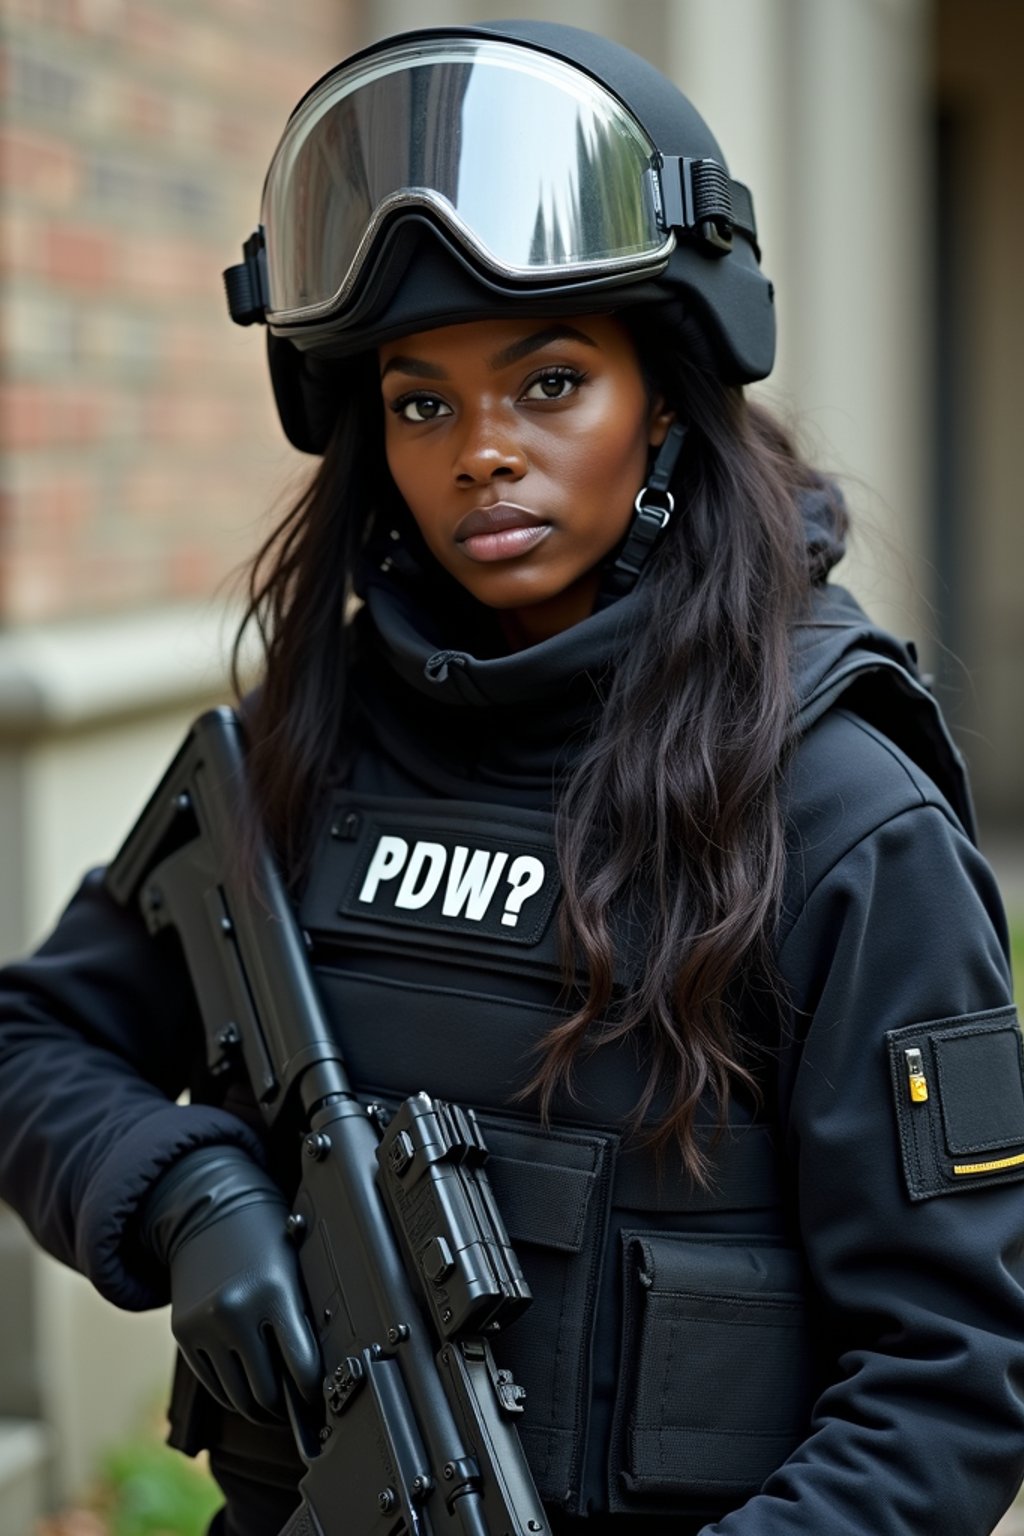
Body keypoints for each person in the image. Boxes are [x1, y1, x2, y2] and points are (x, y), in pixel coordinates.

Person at [1, 19, 1022, 1536]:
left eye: (550, 382)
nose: (483, 451)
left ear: (665, 397)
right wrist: (182, 1189)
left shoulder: (839, 817)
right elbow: (36, 1038)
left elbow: (949, 1382)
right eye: (423, 402)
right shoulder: (307, 744)